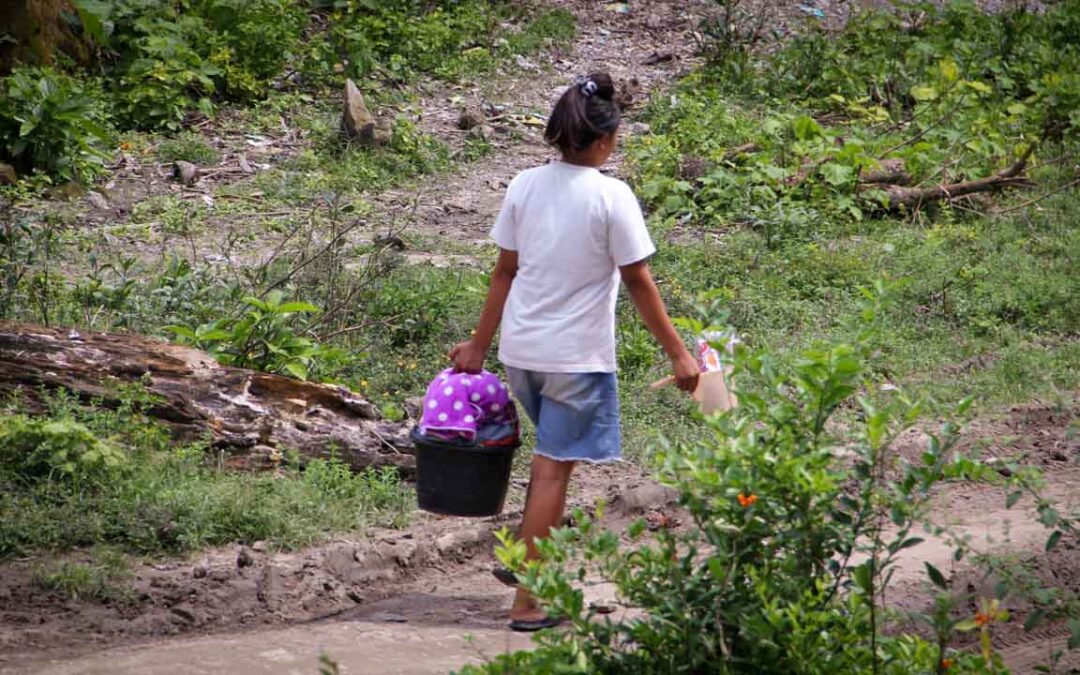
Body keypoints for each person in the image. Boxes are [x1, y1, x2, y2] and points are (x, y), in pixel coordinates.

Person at [449, 71, 699, 632]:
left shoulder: (524, 185)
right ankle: (529, 599)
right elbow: (638, 280)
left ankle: (523, 554)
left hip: (523, 354)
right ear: (608, 140)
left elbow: (503, 272)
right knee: (552, 471)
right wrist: (680, 355)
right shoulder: (612, 196)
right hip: (575, 360)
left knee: (549, 463)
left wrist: (477, 346)